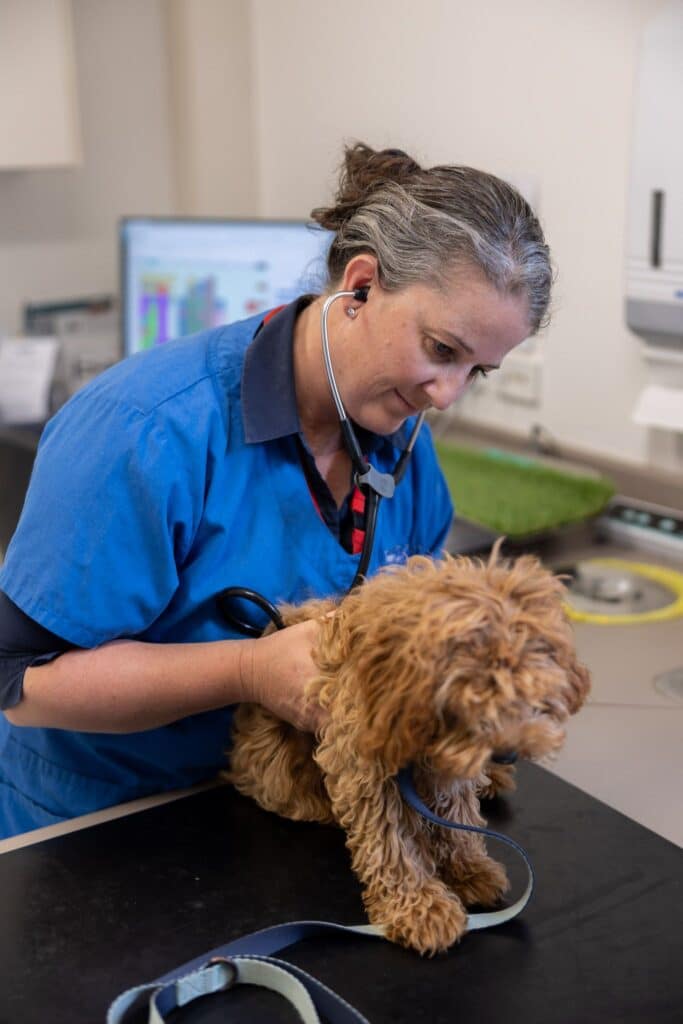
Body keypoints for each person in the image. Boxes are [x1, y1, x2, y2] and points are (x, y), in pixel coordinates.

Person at [0, 143, 552, 839]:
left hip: (284, 807)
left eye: (477, 371)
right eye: (441, 349)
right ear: (360, 285)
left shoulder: (404, 445)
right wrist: (248, 670)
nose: (444, 394)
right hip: (102, 822)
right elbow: (21, 683)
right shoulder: (144, 431)